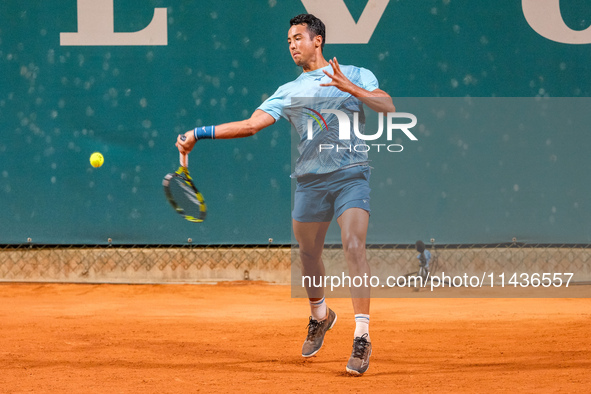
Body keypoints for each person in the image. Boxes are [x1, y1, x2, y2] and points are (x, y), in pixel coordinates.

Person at [176, 13, 396, 375]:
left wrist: (350, 88)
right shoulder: (289, 91)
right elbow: (250, 125)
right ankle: (320, 316)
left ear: (317, 40)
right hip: (311, 183)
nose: (292, 45)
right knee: (309, 254)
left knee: (354, 245)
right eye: (289, 41)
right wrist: (199, 132)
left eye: (298, 38)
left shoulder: (356, 74)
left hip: (351, 176)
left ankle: (362, 336)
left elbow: (387, 105)